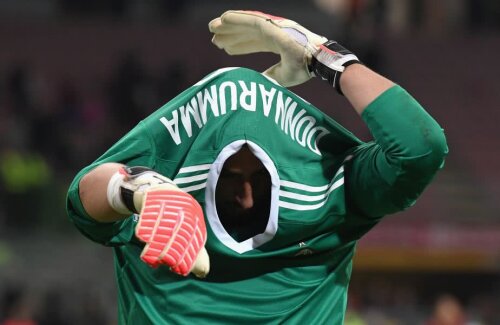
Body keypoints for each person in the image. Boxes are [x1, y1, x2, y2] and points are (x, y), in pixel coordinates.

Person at [66, 10, 448, 324]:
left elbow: (421, 149)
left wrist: (322, 55)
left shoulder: (330, 177)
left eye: (260, 180)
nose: (247, 198)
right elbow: (83, 199)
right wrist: (139, 190)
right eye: (232, 178)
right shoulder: (167, 192)